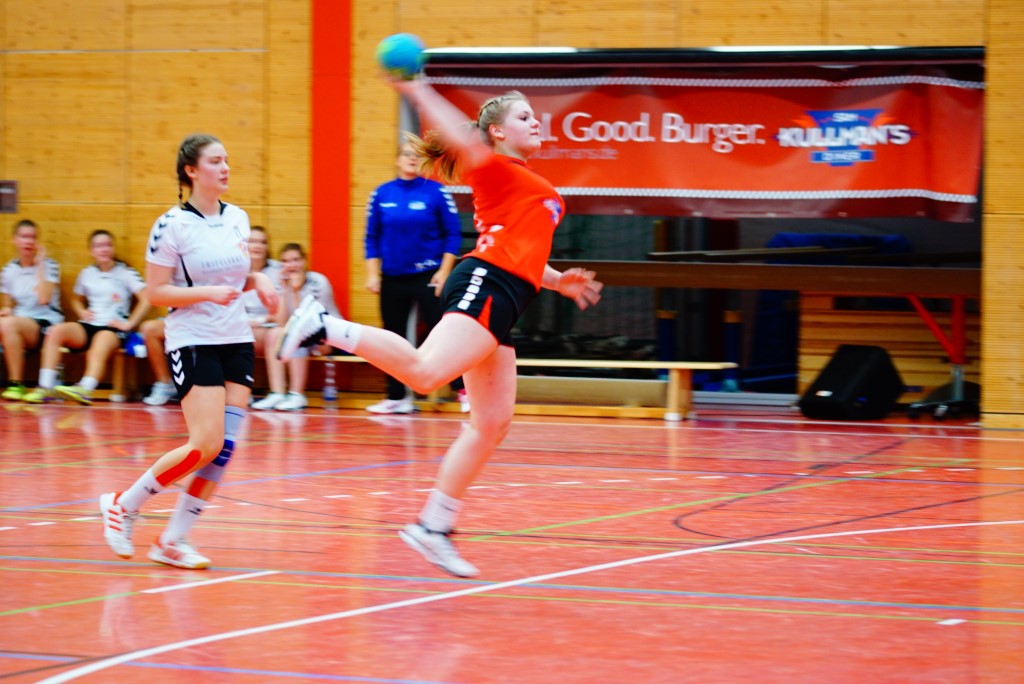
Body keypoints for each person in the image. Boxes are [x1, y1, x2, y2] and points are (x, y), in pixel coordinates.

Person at [277, 81, 603, 577]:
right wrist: (416, 88)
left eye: (534, 115)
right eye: (523, 116)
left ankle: (433, 526)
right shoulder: (494, 166)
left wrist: (557, 281)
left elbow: (522, 250)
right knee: (427, 373)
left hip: (508, 294)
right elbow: (457, 132)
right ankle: (324, 325)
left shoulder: (523, 180)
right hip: (486, 283)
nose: (535, 121)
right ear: (496, 132)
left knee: (491, 422)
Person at [98, 133, 277, 569]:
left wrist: (258, 281)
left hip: (236, 339)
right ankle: (123, 503)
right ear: (192, 171)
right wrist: (206, 293)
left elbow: (236, 278)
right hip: (194, 340)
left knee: (225, 448)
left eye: (226, 159)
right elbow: (156, 292)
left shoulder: (238, 217)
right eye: (215, 161)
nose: (225, 167)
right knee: (205, 444)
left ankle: (172, 540)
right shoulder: (171, 225)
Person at [364, 136, 467, 414]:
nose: (412, 158)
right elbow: (372, 237)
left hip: (428, 276)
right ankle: (397, 397)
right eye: (407, 154)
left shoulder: (436, 192)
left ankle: (462, 390)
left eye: (416, 155)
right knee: (393, 336)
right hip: (392, 278)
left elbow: (453, 234)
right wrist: (372, 274)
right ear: (397, 160)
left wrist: (444, 272)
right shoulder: (381, 194)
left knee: (442, 333)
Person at [140, 225, 281, 406]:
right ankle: (165, 383)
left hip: (248, 328)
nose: (257, 246)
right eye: (252, 241)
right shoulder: (223, 265)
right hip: (203, 321)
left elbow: (278, 313)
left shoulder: (274, 272)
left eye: (262, 242)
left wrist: (259, 283)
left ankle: (242, 385)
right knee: (151, 329)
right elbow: (156, 292)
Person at [22, 230, 150, 404]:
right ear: (92, 251)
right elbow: (76, 299)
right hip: (89, 325)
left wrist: (129, 324)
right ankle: (45, 387)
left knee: (99, 345)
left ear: (112, 248)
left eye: (107, 245)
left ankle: (85, 388)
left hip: (112, 328)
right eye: (98, 246)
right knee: (55, 332)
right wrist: (81, 310)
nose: (103, 249)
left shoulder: (125, 272)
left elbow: (147, 299)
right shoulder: (87, 273)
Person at [252, 243, 338, 411]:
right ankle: (277, 393)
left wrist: (297, 291)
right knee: (275, 333)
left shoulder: (317, 281)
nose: (291, 265)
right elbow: (281, 322)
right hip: (300, 331)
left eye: (296, 260)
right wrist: (286, 290)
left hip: (327, 334)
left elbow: (311, 319)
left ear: (304, 261)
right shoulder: (281, 283)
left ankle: (297, 394)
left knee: (297, 334)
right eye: (286, 261)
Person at [0, 219, 64, 400]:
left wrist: (40, 264)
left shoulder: (50, 266)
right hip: (19, 322)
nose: (28, 241)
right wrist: (6, 310)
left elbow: (44, 298)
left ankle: (16, 383)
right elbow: (7, 305)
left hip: (47, 324)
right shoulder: (8, 270)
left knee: (8, 325)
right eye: (24, 236)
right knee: (5, 323)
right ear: (14, 239)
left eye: (33, 237)